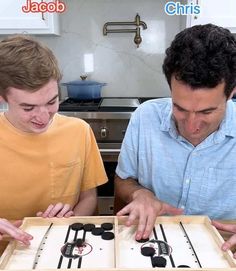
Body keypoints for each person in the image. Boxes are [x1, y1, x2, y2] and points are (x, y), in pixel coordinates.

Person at [115, 23, 236, 255]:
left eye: (206, 112)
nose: (191, 126)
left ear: (231, 93)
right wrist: (141, 194)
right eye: (179, 108)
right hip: (151, 247)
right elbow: (123, 180)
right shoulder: (145, 116)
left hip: (224, 252)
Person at [0, 35, 107, 244]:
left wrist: (71, 221)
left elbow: (89, 198)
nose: (43, 117)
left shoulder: (79, 132)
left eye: (51, 101)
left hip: (60, 249)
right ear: (2, 97)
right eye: (28, 107)